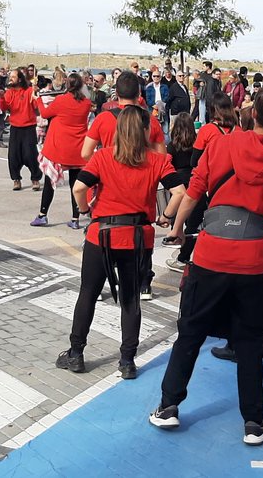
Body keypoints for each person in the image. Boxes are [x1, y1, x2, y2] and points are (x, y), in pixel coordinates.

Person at [150, 85, 263, 447]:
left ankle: (168, 407)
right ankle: (253, 422)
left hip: (210, 255)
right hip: (252, 262)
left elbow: (193, 190)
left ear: (251, 110)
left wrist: (176, 227)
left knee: (190, 333)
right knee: (249, 342)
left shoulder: (221, 144)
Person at [57, 106, 184, 379]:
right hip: (137, 237)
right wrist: (167, 215)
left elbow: (79, 187)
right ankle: (127, 360)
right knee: (130, 300)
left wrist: (83, 210)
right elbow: (179, 191)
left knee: (88, 294)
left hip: (102, 235)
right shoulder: (158, 161)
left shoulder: (103, 157)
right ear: (144, 131)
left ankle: (76, 352)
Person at [163, 93, 237, 271]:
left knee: (193, 223)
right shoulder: (239, 130)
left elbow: (194, 161)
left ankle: (183, 257)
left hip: (209, 184)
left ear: (213, 110)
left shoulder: (208, 130)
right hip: (233, 184)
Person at [32, 74, 93, 229]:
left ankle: (42, 215)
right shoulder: (86, 103)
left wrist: (38, 99)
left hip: (58, 147)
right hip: (77, 148)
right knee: (75, 184)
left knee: (49, 182)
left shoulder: (61, 100)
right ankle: (75, 218)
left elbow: (45, 114)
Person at [1, 69, 42, 191]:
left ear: (19, 79)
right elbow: (5, 108)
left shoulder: (29, 91)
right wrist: (1, 98)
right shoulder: (9, 92)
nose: (11, 79)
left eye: (13, 77)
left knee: (30, 154)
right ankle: (16, 179)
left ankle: (35, 178)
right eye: (10, 77)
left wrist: (36, 95)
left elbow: (36, 107)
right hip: (15, 127)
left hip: (28, 127)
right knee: (13, 155)